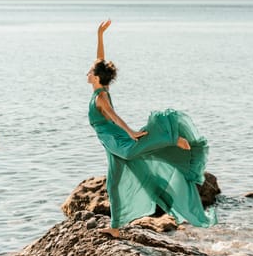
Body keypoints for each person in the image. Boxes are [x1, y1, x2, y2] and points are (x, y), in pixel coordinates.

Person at [87, 19, 217, 237]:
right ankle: (116, 228)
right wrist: (100, 35)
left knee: (131, 152)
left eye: (90, 72)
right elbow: (100, 59)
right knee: (113, 183)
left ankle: (170, 139)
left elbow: (115, 117)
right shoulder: (103, 86)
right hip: (109, 144)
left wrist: (132, 133)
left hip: (118, 140)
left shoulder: (101, 97)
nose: (87, 73)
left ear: (98, 77)